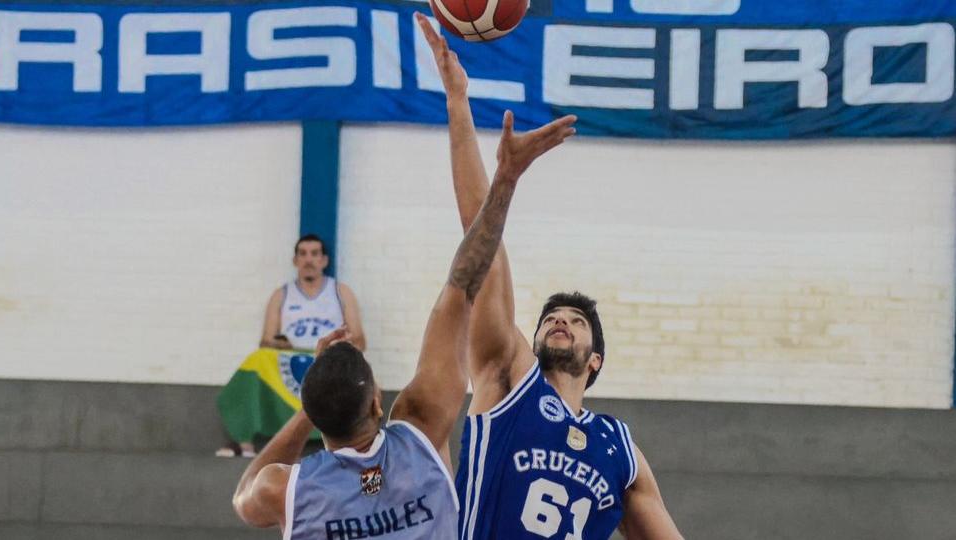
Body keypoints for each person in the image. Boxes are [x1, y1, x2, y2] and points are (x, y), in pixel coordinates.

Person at [232, 106, 575, 539]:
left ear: (319, 420)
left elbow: (244, 494)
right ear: (377, 402)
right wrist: (505, 178)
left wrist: (307, 410)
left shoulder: (287, 489)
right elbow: (465, 282)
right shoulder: (421, 429)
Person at [416, 14, 683, 540]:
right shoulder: (509, 374)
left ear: (597, 359)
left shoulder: (619, 447)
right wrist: (460, 109)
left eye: (576, 321)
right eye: (551, 318)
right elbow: (481, 241)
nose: (560, 321)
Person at [260, 234, 365, 352]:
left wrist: (337, 348)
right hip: (290, 364)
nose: (308, 260)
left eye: (314, 254)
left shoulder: (341, 292)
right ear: (295, 261)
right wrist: (279, 344)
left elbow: (359, 342)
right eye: (303, 254)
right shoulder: (280, 295)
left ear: (324, 261)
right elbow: (265, 343)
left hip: (328, 363)